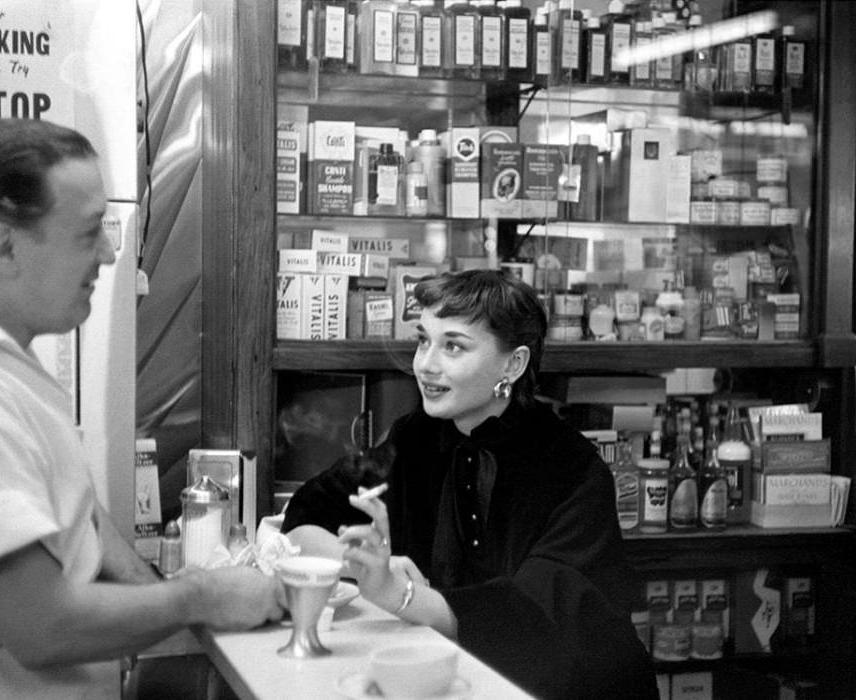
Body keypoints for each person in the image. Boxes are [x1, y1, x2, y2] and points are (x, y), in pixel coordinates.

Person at [0, 118, 283, 699]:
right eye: (87, 234)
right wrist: (199, 596)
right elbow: (42, 625)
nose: (109, 254)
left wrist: (152, 585)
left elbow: (70, 511)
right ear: (4, 246)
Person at [282, 269, 658, 699]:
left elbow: (532, 617)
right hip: (441, 678)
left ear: (513, 364)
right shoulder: (414, 438)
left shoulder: (572, 468)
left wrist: (395, 592)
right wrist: (358, 563)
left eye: (453, 346)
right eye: (423, 340)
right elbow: (308, 512)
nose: (425, 364)